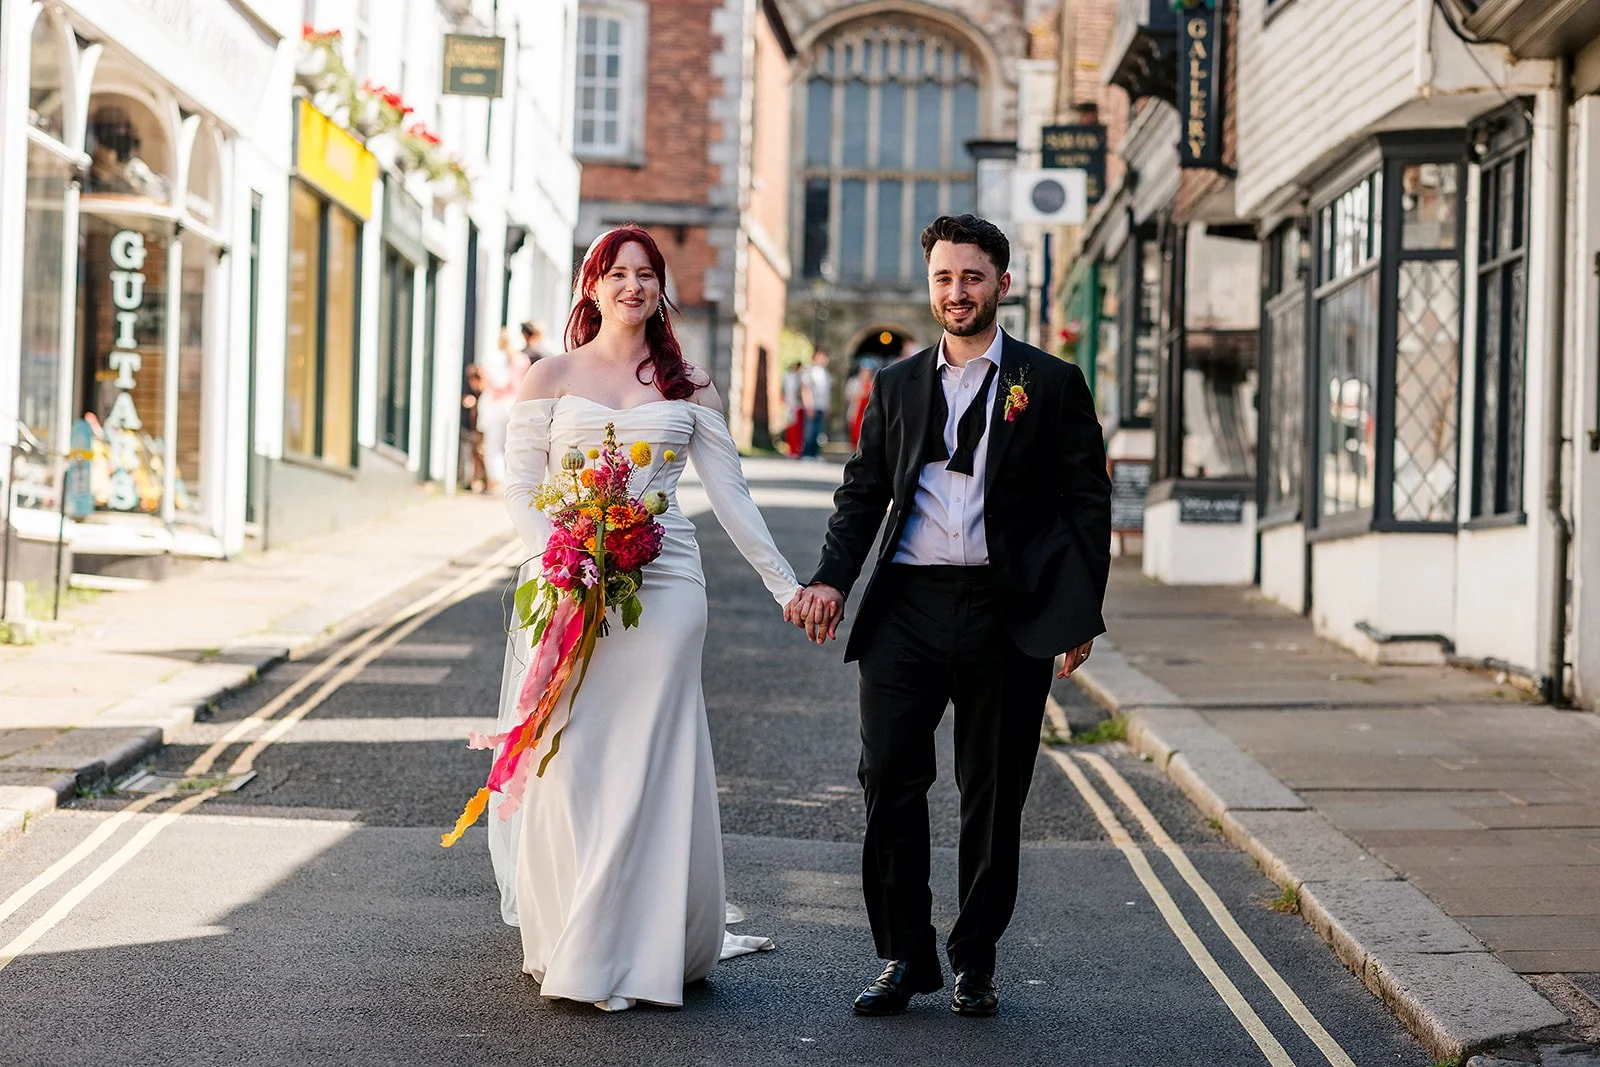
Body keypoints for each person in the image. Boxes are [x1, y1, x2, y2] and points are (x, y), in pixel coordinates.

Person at [786, 215, 1112, 1018]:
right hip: (907, 606)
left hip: (1008, 611)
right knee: (887, 777)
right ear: (929, 284)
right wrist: (831, 579)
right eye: (943, 277)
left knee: (992, 794)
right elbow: (864, 490)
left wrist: (1078, 610)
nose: (957, 292)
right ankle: (904, 953)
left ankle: (975, 959)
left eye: (971, 277)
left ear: (1002, 283)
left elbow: (1085, 502)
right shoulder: (896, 384)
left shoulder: (1051, 381)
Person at [490, 225, 802, 1011]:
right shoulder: (550, 375)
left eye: (646, 274)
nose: (632, 285)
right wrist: (562, 560)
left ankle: (621, 953)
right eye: (617, 272)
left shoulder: (690, 385)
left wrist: (786, 586)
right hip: (571, 582)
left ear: (661, 288)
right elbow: (520, 486)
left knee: (645, 764)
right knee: (575, 758)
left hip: (666, 588)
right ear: (591, 286)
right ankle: (579, 930)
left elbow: (732, 498)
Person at [478, 329, 527, 490]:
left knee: (494, 445)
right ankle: (513, 481)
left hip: (496, 404)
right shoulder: (522, 359)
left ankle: (496, 481)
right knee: (513, 445)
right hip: (515, 404)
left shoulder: (492, 359)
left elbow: (486, 384)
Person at [459, 364, 488, 492]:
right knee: (469, 454)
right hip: (470, 429)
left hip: (481, 430)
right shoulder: (468, 391)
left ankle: (485, 483)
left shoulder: (486, 394)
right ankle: (468, 481)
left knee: (482, 455)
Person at [801, 350, 832, 459]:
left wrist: (827, 406)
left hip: (822, 406)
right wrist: (808, 405)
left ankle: (815, 453)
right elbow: (805, 389)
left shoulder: (825, 373)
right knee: (810, 430)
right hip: (812, 405)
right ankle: (807, 453)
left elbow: (827, 392)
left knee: (818, 431)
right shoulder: (809, 371)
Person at [844, 361, 875, 450]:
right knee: (855, 435)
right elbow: (848, 396)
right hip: (856, 413)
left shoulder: (873, 382)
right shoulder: (854, 382)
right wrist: (860, 394)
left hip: (867, 413)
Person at [780, 359, 808, 458]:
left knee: (798, 429)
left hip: (798, 406)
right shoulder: (789, 377)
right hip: (791, 406)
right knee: (792, 429)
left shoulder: (799, 377)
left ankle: (797, 449)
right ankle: (792, 449)